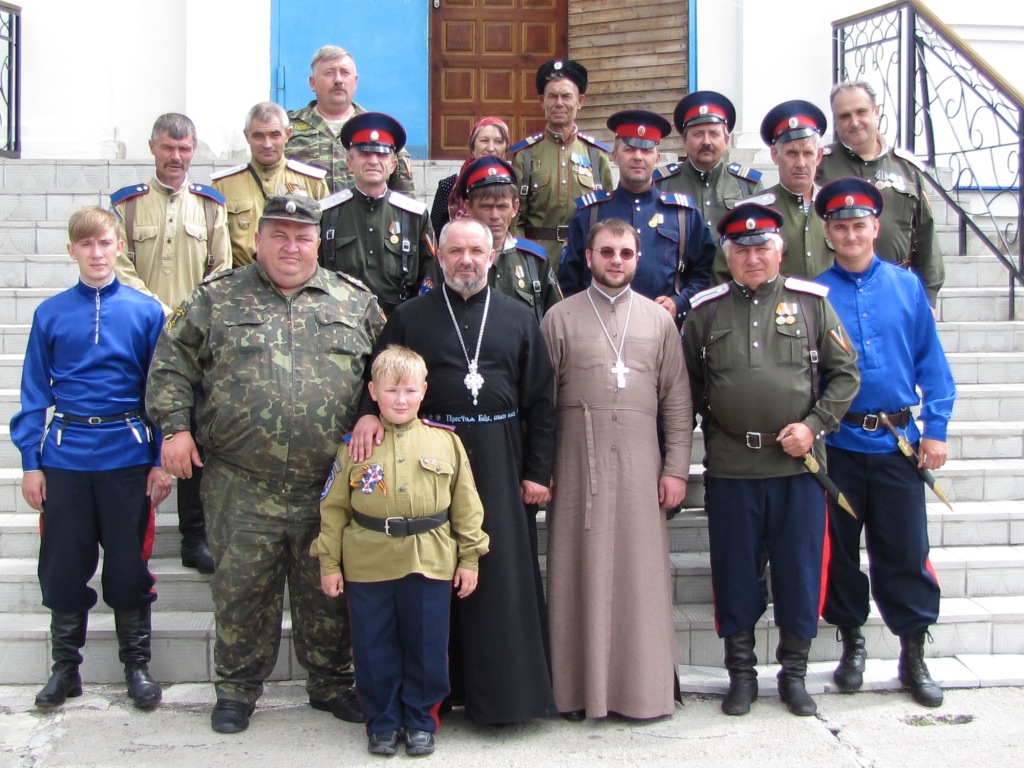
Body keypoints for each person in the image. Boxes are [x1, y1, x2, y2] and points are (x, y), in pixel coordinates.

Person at [146, 195, 385, 734]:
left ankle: (330, 683)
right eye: (278, 234)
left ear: (318, 242)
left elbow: (386, 367)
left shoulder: (354, 301)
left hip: (328, 484)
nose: (290, 246)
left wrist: (372, 415)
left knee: (327, 592)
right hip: (241, 483)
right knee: (241, 591)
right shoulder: (216, 298)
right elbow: (170, 364)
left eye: (302, 236)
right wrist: (175, 429)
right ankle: (235, 689)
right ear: (257, 240)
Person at [348, 217, 557, 725]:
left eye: (476, 251)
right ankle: (435, 697)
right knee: (435, 575)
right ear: (439, 258)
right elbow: (379, 379)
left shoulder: (518, 316)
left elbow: (542, 402)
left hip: (500, 456)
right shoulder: (409, 317)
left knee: (500, 577)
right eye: (455, 251)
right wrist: (368, 416)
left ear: (492, 256)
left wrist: (537, 471)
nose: (466, 260)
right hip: (429, 461)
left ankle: (504, 699)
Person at [683, 203, 860, 718]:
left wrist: (814, 426)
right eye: (742, 249)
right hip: (733, 468)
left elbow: (845, 376)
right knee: (735, 573)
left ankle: (794, 674)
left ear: (779, 251)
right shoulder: (705, 311)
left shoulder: (811, 305)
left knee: (799, 572)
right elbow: (688, 391)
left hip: (798, 469)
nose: (752, 257)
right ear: (728, 255)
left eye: (762, 248)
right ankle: (741, 674)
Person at [11, 206, 171, 711]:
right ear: (71, 250)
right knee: (62, 565)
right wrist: (31, 462)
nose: (97, 254)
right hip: (67, 458)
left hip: (127, 455)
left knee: (127, 565)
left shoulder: (146, 312)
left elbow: (162, 390)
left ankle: (137, 667)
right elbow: (34, 391)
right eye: (86, 245)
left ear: (119, 246)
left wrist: (162, 457)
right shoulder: (51, 313)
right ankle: (65, 669)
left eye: (105, 243)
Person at [541, 218, 692, 721]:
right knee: (574, 573)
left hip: (640, 466)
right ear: (588, 257)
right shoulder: (559, 318)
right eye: (606, 252)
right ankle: (574, 692)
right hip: (574, 461)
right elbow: (540, 404)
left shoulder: (659, 321)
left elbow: (676, 402)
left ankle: (641, 692)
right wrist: (542, 467)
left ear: (638, 257)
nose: (616, 261)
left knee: (639, 577)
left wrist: (676, 469)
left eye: (625, 253)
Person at [814, 177, 956, 708]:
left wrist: (936, 429)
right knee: (842, 557)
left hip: (898, 446)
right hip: (840, 446)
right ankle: (851, 645)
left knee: (904, 551)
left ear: (876, 226)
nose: (851, 234)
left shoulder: (907, 286)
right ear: (828, 232)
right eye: (840, 226)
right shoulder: (814, 295)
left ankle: (913, 653)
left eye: (860, 225)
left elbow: (932, 366)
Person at [313, 345, 490, 757]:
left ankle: (420, 721)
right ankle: (383, 722)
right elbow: (333, 508)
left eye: (410, 391)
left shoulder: (446, 443)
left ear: (424, 391)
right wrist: (329, 563)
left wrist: (469, 558)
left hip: (429, 559)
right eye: (391, 391)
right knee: (374, 648)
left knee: (427, 646)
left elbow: (466, 505)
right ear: (373, 392)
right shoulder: (356, 447)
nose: (401, 400)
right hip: (367, 561)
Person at [111, 112, 231, 576]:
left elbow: (220, 267)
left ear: (194, 151)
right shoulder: (127, 205)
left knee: (188, 431)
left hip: (192, 341)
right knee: (136, 427)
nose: (175, 157)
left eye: (184, 150)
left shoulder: (209, 205)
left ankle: (193, 536)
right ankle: (127, 529)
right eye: (167, 148)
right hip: (136, 333)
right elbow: (118, 263)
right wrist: (155, 309)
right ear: (152, 147)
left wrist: (187, 316)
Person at [558, 109, 717, 328]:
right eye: (629, 149)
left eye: (646, 150)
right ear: (614, 156)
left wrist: (679, 303)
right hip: (598, 326)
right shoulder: (590, 212)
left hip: (662, 327)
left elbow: (704, 271)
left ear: (657, 158)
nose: (638, 157)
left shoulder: (682, 214)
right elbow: (569, 277)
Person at [817, 80, 943, 306]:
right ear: (836, 121)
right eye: (844, 116)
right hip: (837, 293)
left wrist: (928, 299)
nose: (854, 122)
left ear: (876, 111)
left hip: (896, 291)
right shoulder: (820, 167)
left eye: (861, 112)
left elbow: (926, 236)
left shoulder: (906, 168)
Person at [318, 112, 435, 315]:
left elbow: (431, 275)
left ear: (393, 165)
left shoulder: (415, 216)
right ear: (349, 164)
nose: (373, 161)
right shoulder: (327, 214)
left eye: (381, 155)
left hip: (399, 321)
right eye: (364, 154)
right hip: (340, 320)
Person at [711, 100, 832, 284]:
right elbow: (724, 281)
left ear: (820, 156)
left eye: (808, 153)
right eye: (792, 153)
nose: (800, 163)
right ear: (775, 155)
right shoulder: (751, 211)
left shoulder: (833, 209)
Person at [510, 59, 613, 275]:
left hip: (585, 260)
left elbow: (608, 213)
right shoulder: (525, 155)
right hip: (537, 258)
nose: (559, 103)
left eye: (566, 96)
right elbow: (515, 215)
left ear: (579, 101)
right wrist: (524, 256)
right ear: (542, 101)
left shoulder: (596, 154)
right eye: (552, 96)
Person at [211, 101, 329, 267]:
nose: (267, 144)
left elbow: (325, 242)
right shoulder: (223, 185)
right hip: (241, 285)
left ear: (288, 134)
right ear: (247, 136)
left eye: (275, 135)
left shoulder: (312, 182)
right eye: (258, 136)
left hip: (297, 282)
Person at [286, 45, 415, 194]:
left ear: (355, 82)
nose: (338, 80)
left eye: (345, 73)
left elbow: (405, 200)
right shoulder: (286, 128)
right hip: (306, 216)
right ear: (312, 83)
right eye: (329, 73)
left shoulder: (379, 128)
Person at [460, 154, 560, 321]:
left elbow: (555, 320)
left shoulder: (534, 260)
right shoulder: (452, 257)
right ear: (468, 207)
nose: (495, 215)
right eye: (486, 206)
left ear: (515, 207)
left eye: (502, 206)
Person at [655, 91, 764, 233]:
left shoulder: (748, 185)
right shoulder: (662, 184)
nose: (706, 141)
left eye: (714, 133)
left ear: (726, 141)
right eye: (698, 134)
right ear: (684, 140)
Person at [431, 116, 510, 236]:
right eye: (484, 141)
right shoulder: (450, 185)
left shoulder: (513, 184)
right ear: (472, 148)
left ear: (506, 148)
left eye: (498, 142)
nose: (491, 148)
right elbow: (435, 233)